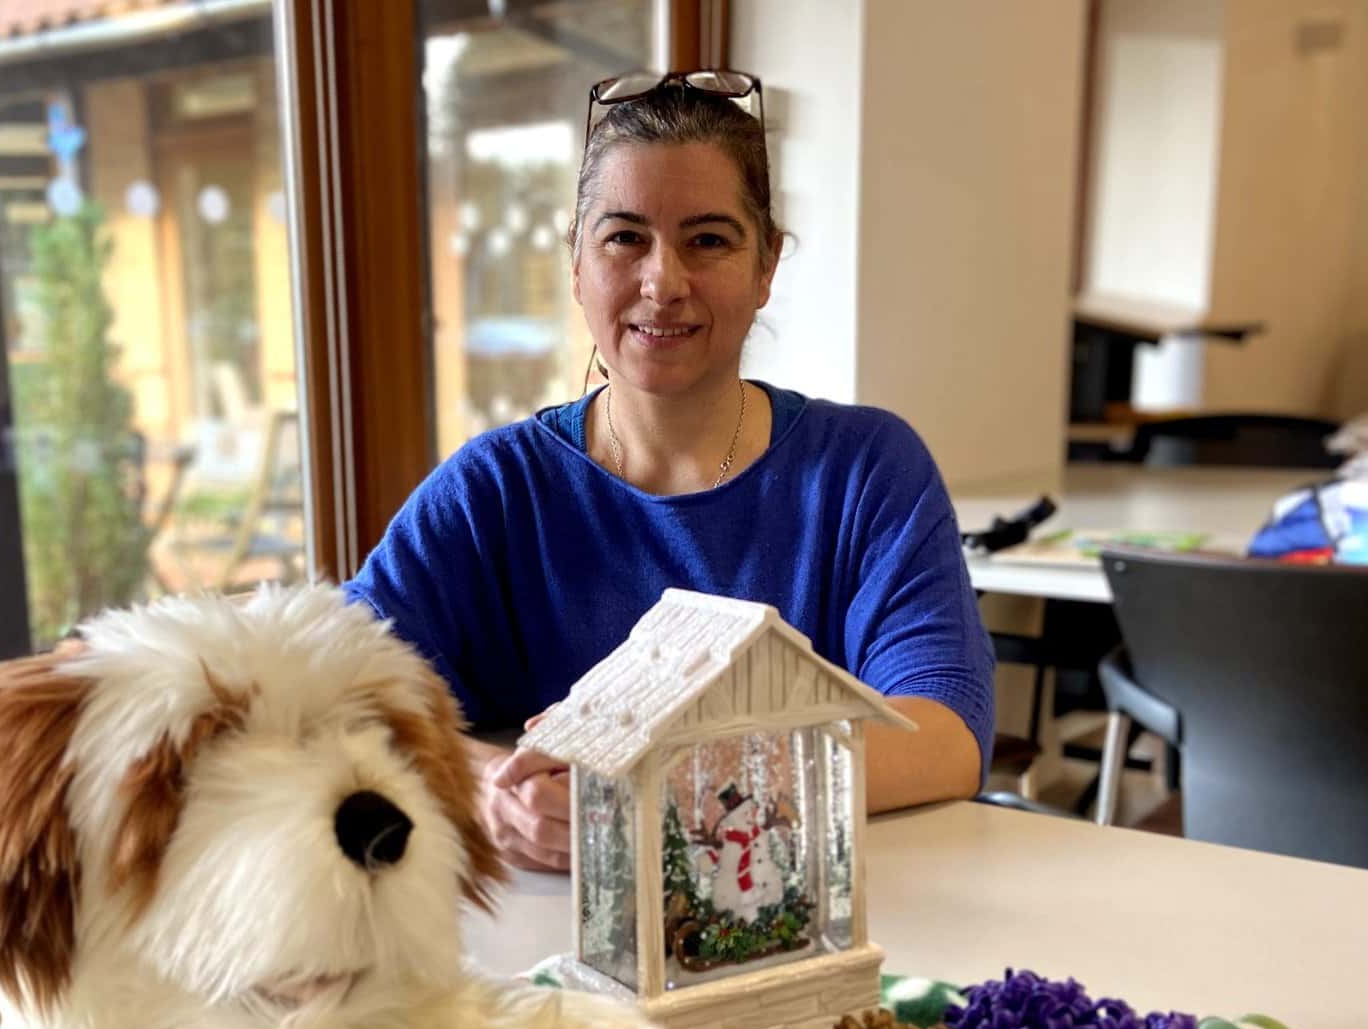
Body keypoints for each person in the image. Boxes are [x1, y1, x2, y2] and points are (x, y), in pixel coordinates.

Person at [347, 71, 994, 872]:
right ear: (577, 265)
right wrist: (495, 788)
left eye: (709, 240)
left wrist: (649, 798)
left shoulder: (864, 470)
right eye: (624, 237)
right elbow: (340, 696)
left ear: (766, 268)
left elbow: (944, 736)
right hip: (536, 938)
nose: (663, 282)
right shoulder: (495, 491)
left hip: (807, 926)